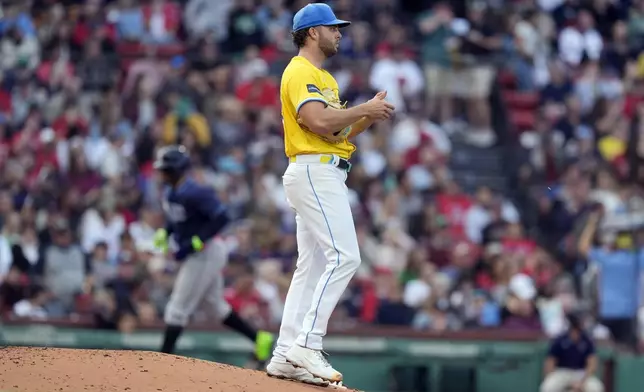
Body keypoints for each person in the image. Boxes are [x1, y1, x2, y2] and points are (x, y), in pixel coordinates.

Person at [265, 2, 395, 386]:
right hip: (314, 171)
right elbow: (317, 119)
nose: (339, 33)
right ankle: (307, 343)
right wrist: (361, 108)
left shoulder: (325, 79)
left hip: (324, 168)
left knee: (313, 266)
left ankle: (285, 354)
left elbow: (335, 133)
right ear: (312, 32)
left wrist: (366, 116)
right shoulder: (299, 70)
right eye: (332, 27)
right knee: (346, 257)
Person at [152, 145, 274, 363]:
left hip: (206, 252)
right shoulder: (172, 192)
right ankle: (258, 338)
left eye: (166, 169)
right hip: (198, 253)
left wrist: (200, 238)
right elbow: (177, 218)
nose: (162, 173)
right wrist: (166, 231)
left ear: (177, 170)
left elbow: (222, 217)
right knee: (215, 306)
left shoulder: (197, 191)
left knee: (177, 309)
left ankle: (162, 360)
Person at [540, 313, 604, 392]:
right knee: (548, 387)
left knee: (596, 388)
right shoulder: (560, 340)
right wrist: (550, 376)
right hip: (562, 372)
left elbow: (592, 363)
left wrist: (582, 381)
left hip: (581, 372)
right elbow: (550, 362)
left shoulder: (587, 341)